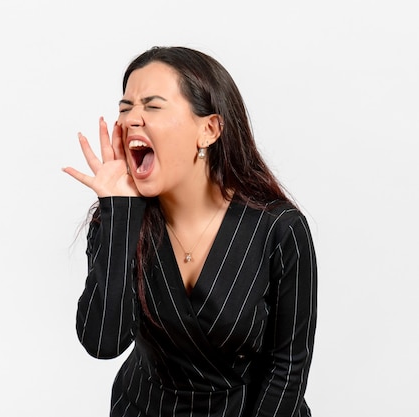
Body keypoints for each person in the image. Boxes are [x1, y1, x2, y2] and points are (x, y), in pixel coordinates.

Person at [62, 46, 317, 417]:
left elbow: (288, 368)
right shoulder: (118, 220)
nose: (132, 119)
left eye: (152, 106)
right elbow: (103, 342)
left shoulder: (279, 228)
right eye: (125, 108)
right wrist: (120, 214)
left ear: (209, 129)